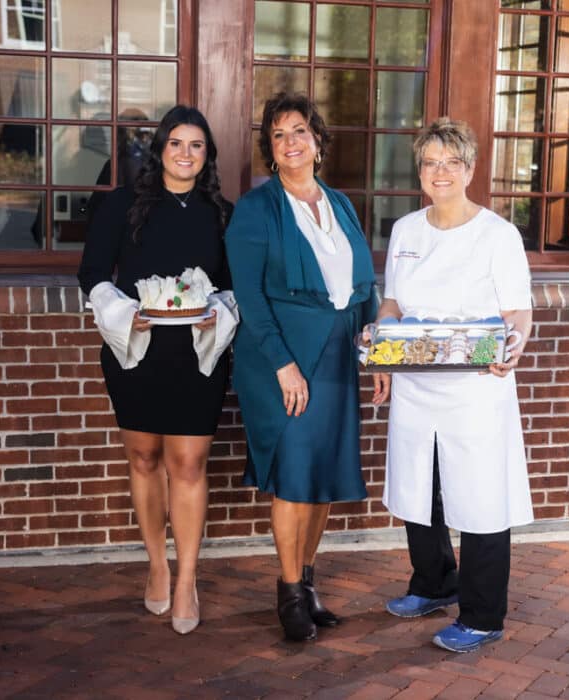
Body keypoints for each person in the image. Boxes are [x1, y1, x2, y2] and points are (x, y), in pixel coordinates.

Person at [371, 117, 533, 653]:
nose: (440, 172)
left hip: (476, 389)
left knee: (481, 496)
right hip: (418, 383)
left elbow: (518, 313)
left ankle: (483, 615)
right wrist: (383, 345)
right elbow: (393, 301)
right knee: (422, 484)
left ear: (469, 169)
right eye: (430, 162)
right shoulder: (406, 231)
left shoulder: (497, 234)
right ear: (420, 170)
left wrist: (512, 350)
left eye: (451, 162)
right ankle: (434, 582)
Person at [225, 93, 377, 642]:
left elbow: (364, 286)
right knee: (293, 475)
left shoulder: (341, 204)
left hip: (339, 354)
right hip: (280, 358)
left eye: (300, 131)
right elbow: (251, 297)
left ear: (317, 140)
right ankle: (288, 590)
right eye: (279, 135)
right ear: (270, 149)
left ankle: (309, 584)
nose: (291, 142)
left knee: (323, 475)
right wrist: (284, 365)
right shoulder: (256, 209)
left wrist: (374, 351)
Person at [77, 105, 232, 635]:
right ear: (160, 148)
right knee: (144, 458)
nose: (186, 154)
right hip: (135, 352)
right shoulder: (123, 204)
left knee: (187, 463)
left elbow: (233, 286)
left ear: (207, 156)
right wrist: (127, 317)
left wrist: (221, 311)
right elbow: (93, 275)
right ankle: (157, 564)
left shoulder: (222, 213)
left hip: (197, 355)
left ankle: (188, 576)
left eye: (197, 146)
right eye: (176, 144)